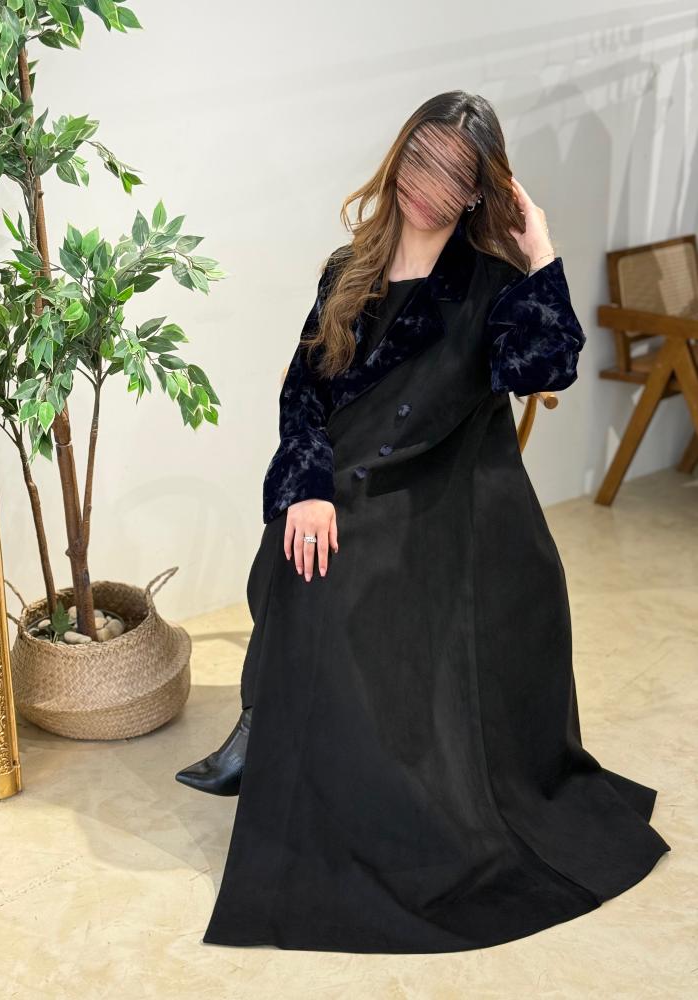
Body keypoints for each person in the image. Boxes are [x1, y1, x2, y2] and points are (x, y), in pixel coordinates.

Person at [176, 91, 670, 954]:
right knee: (300, 544)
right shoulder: (349, 270)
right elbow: (304, 395)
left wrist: (541, 251)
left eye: (452, 173)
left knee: (347, 577)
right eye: (420, 158)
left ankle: (279, 733)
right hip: (343, 475)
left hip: (446, 491)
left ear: (479, 192)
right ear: (399, 153)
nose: (426, 184)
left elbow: (546, 366)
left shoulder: (491, 286)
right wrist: (307, 485)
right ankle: (267, 720)